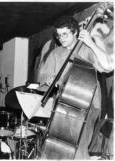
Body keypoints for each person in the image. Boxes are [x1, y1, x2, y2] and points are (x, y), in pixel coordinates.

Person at [37, 16, 113, 159]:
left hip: (86, 107)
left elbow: (108, 66)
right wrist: (48, 80)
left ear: (75, 33)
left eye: (65, 34)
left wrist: (91, 43)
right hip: (61, 107)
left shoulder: (86, 49)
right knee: (55, 147)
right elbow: (42, 80)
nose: (61, 38)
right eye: (58, 35)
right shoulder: (56, 54)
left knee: (78, 148)